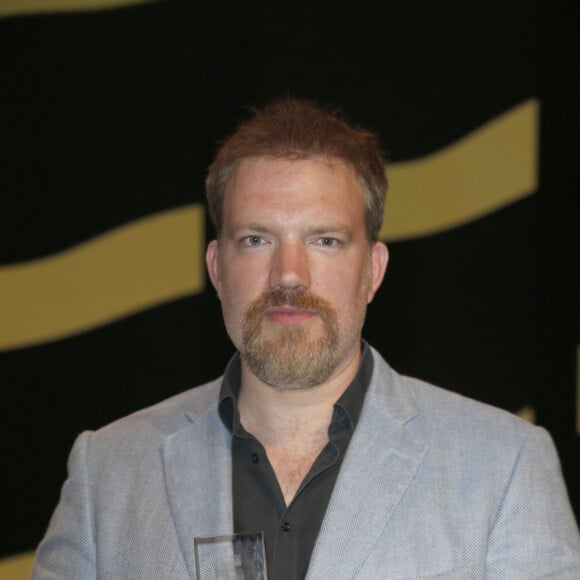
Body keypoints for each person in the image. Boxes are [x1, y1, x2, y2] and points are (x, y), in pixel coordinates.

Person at [32, 98, 580, 579]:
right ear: (217, 268)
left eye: (324, 240)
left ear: (374, 270)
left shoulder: (505, 467)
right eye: (255, 239)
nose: (289, 275)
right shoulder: (106, 473)